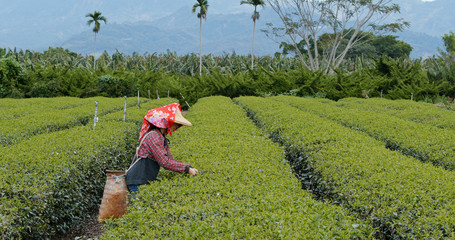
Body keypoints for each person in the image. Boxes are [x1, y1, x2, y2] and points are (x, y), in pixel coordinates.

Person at [126, 103, 198, 193]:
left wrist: (188, 167)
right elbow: (164, 161)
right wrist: (186, 169)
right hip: (138, 180)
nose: (177, 126)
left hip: (144, 180)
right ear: (168, 122)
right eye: (176, 123)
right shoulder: (154, 136)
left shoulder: (161, 136)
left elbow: (169, 159)